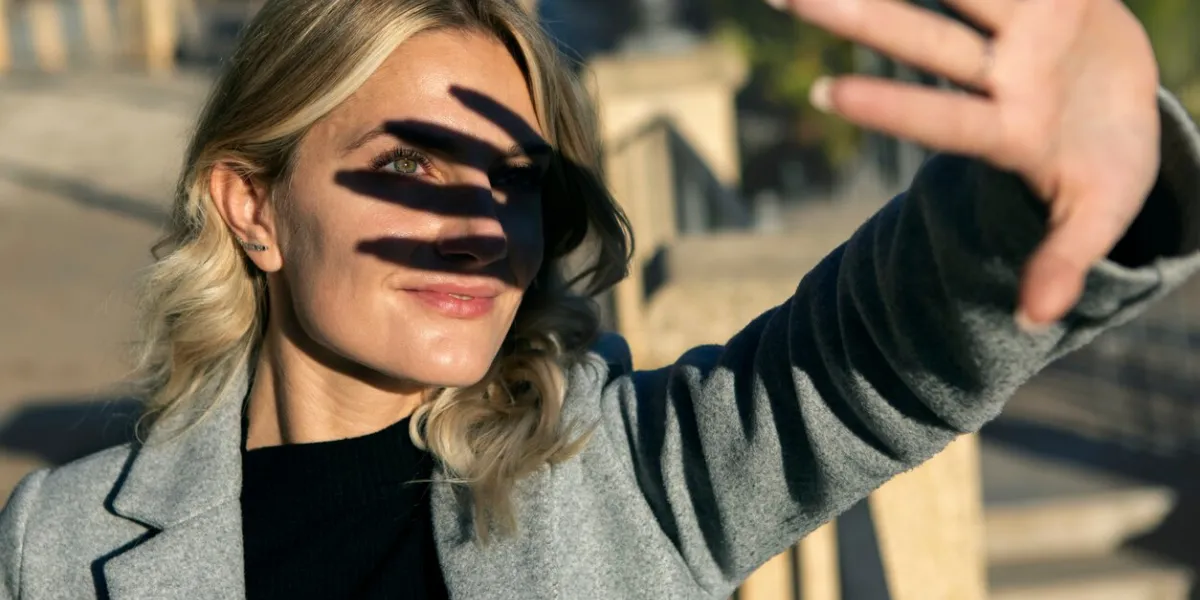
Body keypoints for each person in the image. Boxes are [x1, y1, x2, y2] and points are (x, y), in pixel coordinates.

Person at [2, 0, 1198, 598]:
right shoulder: (56, 549)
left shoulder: (627, 472)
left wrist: (1066, 175)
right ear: (250, 207)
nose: (478, 224)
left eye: (515, 180)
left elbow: (874, 362)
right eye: (411, 166)